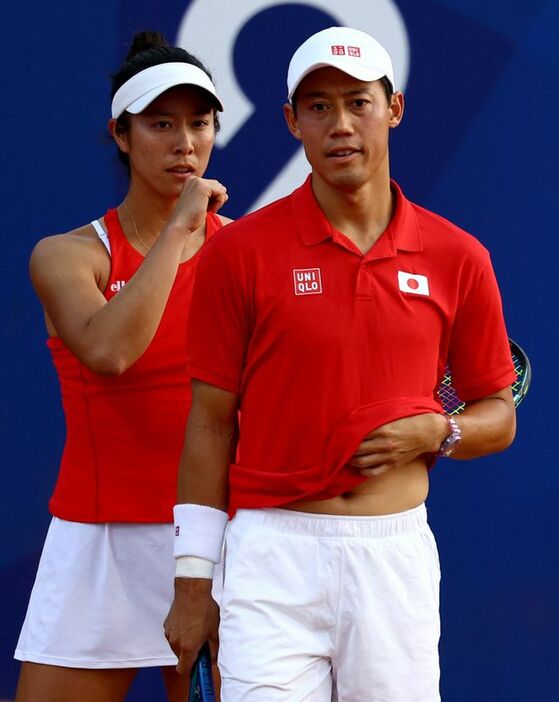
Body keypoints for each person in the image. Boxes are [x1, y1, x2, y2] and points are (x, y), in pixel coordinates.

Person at [164, 26, 517, 701]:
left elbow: (497, 416)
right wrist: (191, 582)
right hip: (271, 556)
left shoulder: (457, 255)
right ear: (291, 121)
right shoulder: (239, 253)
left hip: (393, 559)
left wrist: (436, 432)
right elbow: (209, 425)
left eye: (358, 102)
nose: (340, 125)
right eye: (318, 107)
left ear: (395, 107)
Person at [14, 30, 229, 702]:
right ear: (121, 134)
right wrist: (178, 232)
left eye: (198, 123)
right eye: (161, 124)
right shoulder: (68, 255)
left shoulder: (246, 255)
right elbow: (109, 351)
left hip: (213, 543)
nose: (184, 142)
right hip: (98, 542)